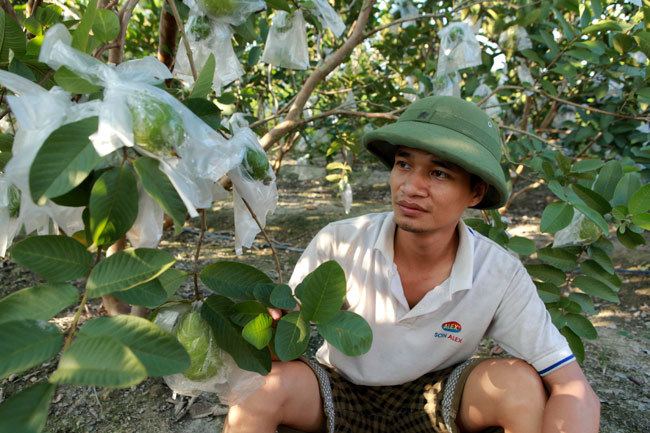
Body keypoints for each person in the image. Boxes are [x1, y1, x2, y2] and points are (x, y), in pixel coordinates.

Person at [223, 96, 600, 433]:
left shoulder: (498, 273)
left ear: (475, 192)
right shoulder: (340, 242)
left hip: (437, 395)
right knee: (258, 392)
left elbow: (571, 386)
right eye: (404, 164)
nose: (411, 187)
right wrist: (267, 329)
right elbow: (282, 346)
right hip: (339, 388)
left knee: (520, 384)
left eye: (439, 173)